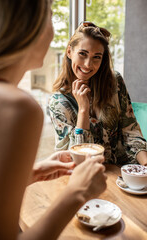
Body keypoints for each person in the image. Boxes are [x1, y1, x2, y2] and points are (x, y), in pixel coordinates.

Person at [0, 1, 107, 240]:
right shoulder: (18, 108)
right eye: (50, 15)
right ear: (29, 26)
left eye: (97, 57)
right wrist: (77, 193)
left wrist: (30, 174)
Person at [49, 21, 147, 166]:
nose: (88, 64)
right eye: (83, 54)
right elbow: (74, 159)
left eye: (97, 57)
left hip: (124, 171)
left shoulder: (115, 83)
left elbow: (130, 131)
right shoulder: (58, 102)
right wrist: (83, 110)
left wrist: (145, 165)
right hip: (85, 176)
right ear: (69, 52)